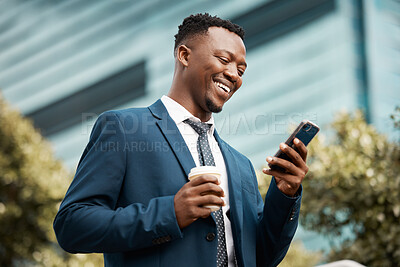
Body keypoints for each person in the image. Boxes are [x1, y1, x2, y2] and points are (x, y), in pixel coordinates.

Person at [53, 13, 309, 267]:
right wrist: (171, 213)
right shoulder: (123, 129)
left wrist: (285, 193)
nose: (234, 75)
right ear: (184, 55)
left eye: (241, 69)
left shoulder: (241, 166)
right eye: (224, 60)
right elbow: (72, 225)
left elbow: (262, 257)